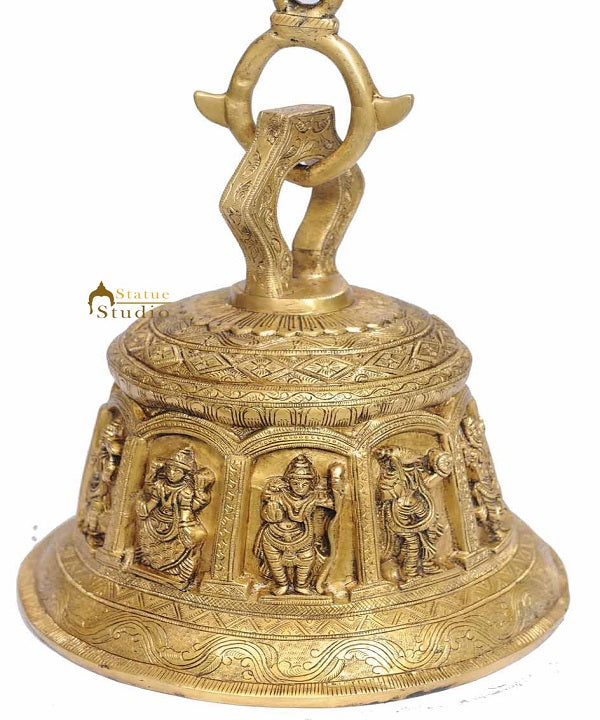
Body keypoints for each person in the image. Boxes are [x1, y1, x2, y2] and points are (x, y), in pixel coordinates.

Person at [254, 454, 339, 595]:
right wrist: (271, 505)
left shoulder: (314, 497)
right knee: (274, 561)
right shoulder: (279, 496)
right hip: (274, 537)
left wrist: (336, 486)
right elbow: (267, 514)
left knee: (307, 558)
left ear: (311, 484)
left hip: (302, 537)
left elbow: (332, 503)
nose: (300, 488)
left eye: (304, 484)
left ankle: (301, 584)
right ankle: (282, 584)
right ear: (289, 482)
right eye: (295, 483)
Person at [136, 446, 215, 588]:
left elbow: (186, 512)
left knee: (188, 542)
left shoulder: (185, 491)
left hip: (178, 522)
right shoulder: (160, 485)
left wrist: (184, 527)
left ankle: (181, 575)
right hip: (157, 520)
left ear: (185, 474)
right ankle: (148, 561)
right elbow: (153, 502)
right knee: (144, 530)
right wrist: (144, 509)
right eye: (170, 469)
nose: (172, 474)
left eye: (177, 471)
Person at [81, 419, 124, 547]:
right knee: (96, 507)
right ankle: (93, 532)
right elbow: (106, 476)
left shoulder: (108, 456)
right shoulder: (104, 457)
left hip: (104, 490)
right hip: (100, 490)